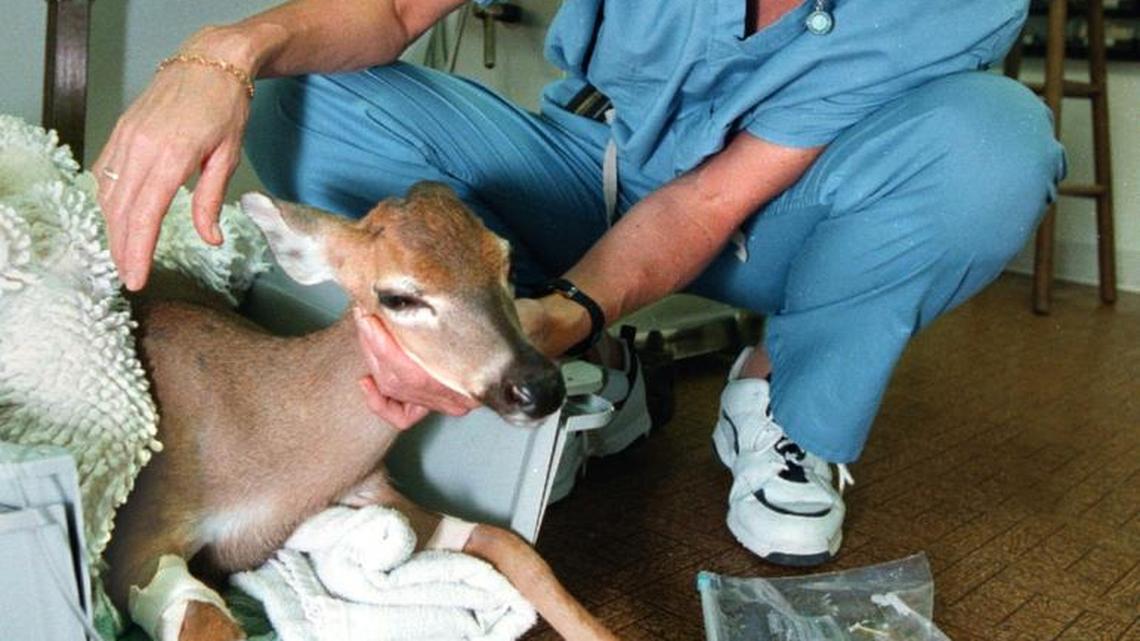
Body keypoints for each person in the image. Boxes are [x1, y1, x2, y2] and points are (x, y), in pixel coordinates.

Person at [94, 0, 1065, 566]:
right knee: (306, 93)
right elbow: (389, 13)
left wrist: (579, 296)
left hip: (786, 213)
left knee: (995, 146)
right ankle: (579, 358)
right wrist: (226, 53)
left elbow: (705, 204)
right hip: (585, 162)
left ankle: (782, 394)